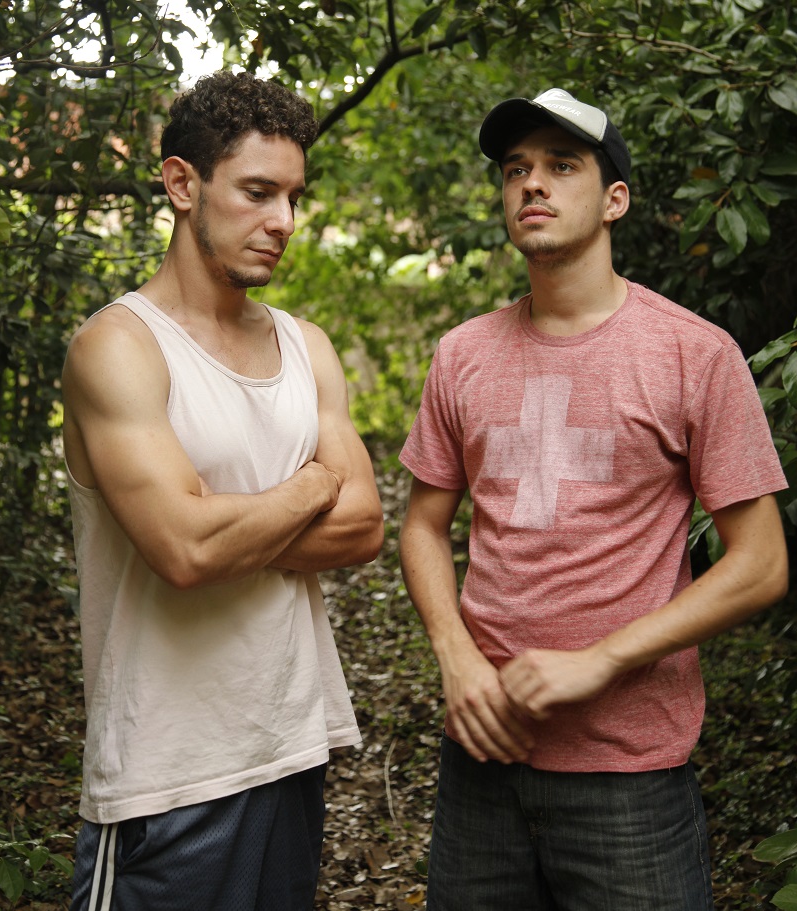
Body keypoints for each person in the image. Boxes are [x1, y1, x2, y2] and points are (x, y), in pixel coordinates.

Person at [398, 87, 789, 910]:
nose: (532, 184)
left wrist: (602, 658)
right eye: (515, 170)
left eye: (561, 166)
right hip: (481, 758)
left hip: (628, 776)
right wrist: (456, 659)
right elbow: (423, 526)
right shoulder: (462, 354)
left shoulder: (692, 353)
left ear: (614, 200)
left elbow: (759, 564)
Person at [62, 70, 384, 911]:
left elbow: (362, 527)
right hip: (165, 778)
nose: (284, 221)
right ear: (182, 184)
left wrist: (225, 519)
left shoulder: (306, 347)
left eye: (294, 197)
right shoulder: (119, 347)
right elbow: (185, 549)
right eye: (257, 192)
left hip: (291, 743)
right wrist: (314, 482)